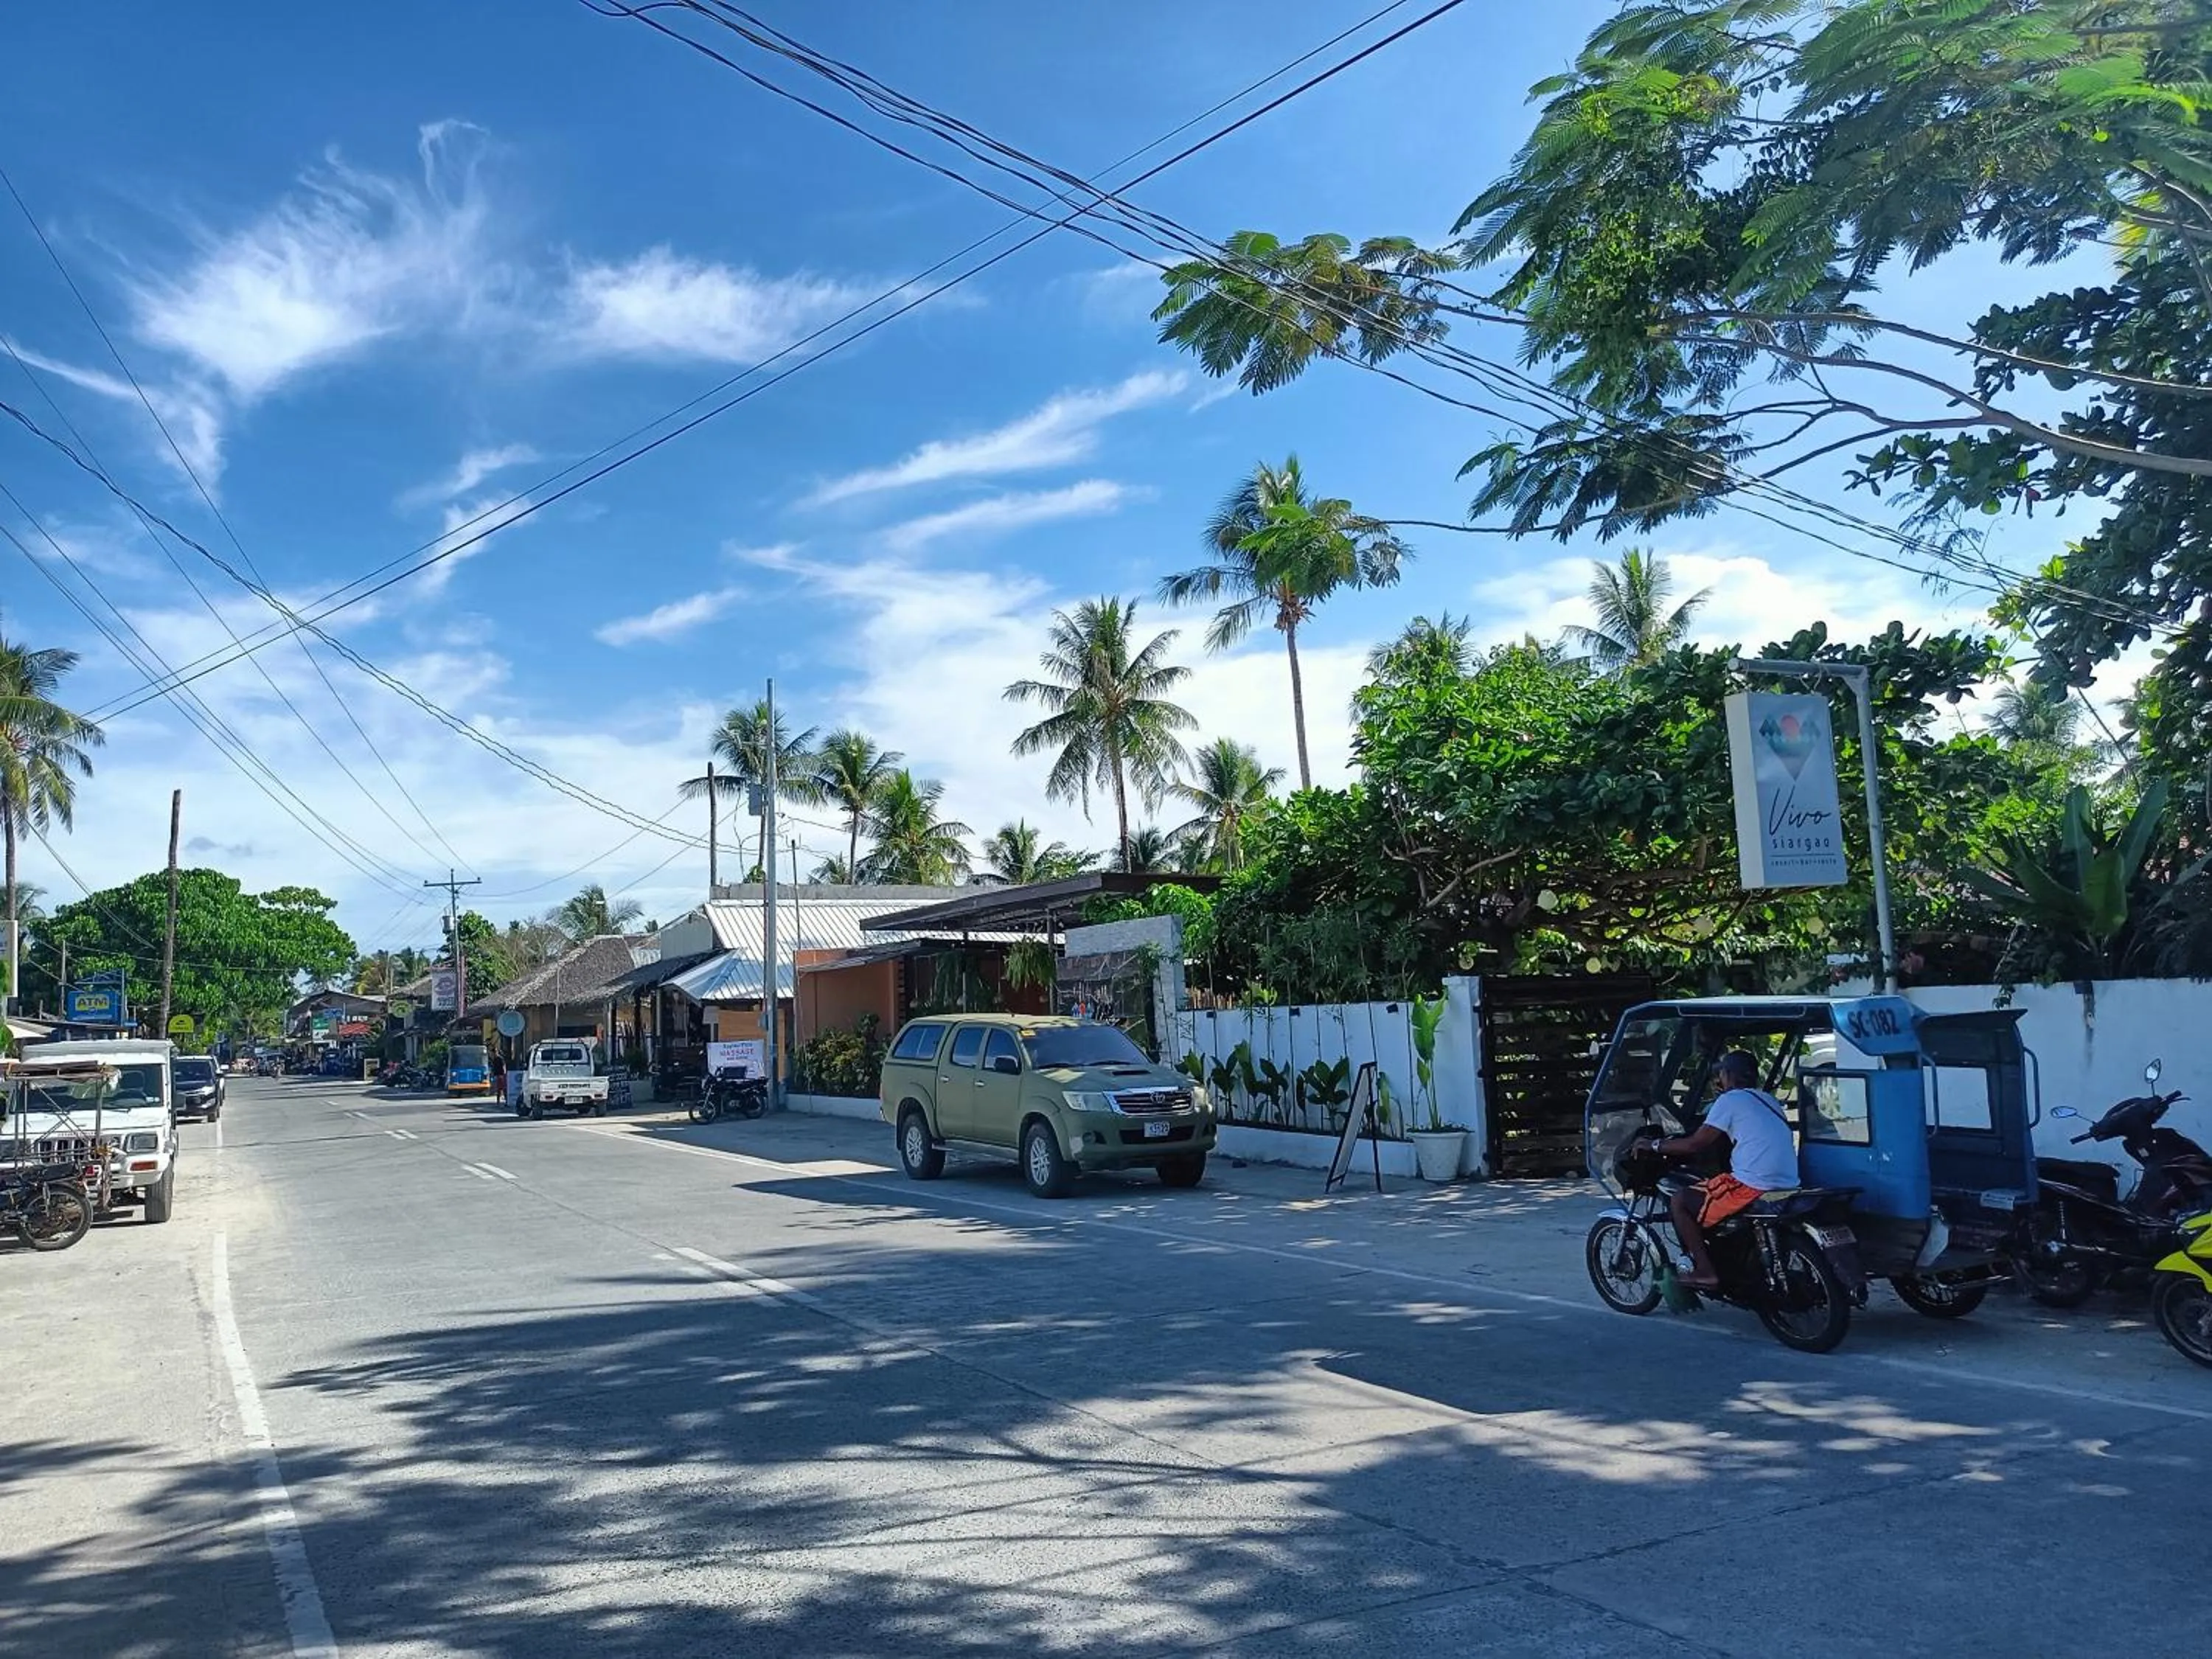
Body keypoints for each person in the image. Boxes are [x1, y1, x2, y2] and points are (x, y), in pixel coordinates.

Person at [1648, 1049, 1801, 1289]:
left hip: (1753, 1184)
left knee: (1680, 1200)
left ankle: (1706, 1271)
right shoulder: (1769, 1100)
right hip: (1789, 1183)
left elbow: (1696, 1143)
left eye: (1722, 1074)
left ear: (1728, 1075)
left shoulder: (1730, 1100)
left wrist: (1655, 1145)